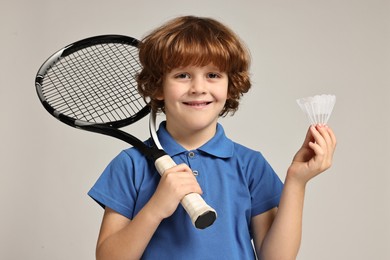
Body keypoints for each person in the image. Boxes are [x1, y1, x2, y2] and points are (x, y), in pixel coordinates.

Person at [88, 15, 337, 260]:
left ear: (230, 85)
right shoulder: (130, 165)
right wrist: (155, 208)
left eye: (213, 75)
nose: (198, 87)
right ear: (158, 86)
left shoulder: (250, 165)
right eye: (182, 75)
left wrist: (296, 181)